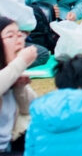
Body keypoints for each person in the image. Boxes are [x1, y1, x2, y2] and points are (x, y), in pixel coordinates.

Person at [0, 17, 37, 154]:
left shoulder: (11, 73)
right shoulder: (11, 71)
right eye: (10, 36)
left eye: (20, 34)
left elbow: (30, 110)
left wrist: (20, 88)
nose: (19, 40)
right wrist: (21, 62)